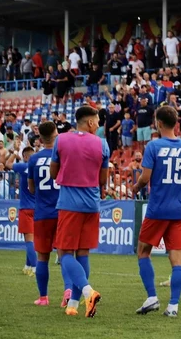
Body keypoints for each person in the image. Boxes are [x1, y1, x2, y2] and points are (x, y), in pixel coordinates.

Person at [132, 106, 181, 317]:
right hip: (179, 211)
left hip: (157, 209)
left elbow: (145, 178)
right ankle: (173, 306)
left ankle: (152, 297)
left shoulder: (154, 146)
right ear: (176, 124)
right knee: (176, 258)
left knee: (143, 251)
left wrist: (135, 188)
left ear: (158, 123)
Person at [50, 106, 110, 317]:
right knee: (83, 252)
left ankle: (87, 292)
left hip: (69, 203)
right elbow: (103, 180)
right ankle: (73, 305)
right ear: (91, 123)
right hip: (92, 204)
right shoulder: (102, 143)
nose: (99, 125)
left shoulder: (61, 140)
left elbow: (53, 172)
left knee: (64, 252)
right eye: (98, 121)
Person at [27, 122, 73, 308]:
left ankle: (43, 297)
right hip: (62, 211)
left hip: (42, 213)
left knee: (42, 257)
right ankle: (68, 291)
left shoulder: (33, 159)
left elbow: (31, 188)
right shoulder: (62, 157)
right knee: (65, 255)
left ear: (39, 139)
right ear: (56, 135)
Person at [7, 147, 37, 277]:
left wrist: (14, 153)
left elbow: (7, 164)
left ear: (25, 157)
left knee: (28, 240)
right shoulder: (38, 168)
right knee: (32, 239)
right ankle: (27, 265)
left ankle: (35, 268)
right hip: (38, 208)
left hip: (26, 208)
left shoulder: (23, 166)